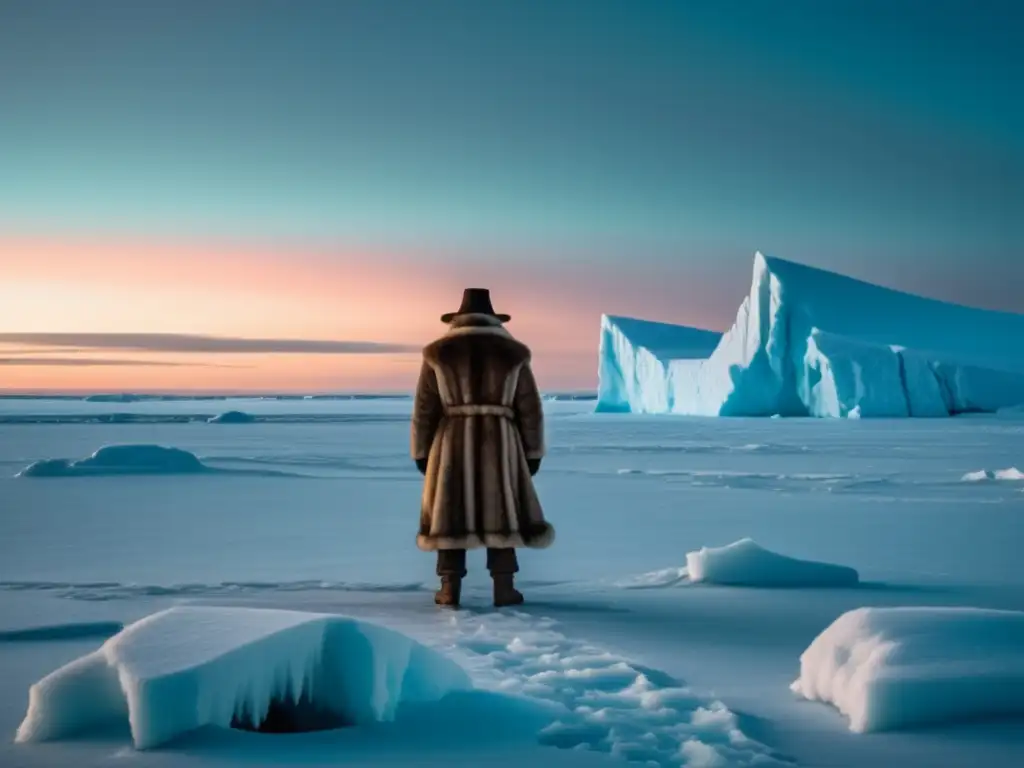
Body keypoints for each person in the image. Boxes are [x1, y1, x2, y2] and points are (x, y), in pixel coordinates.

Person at [411, 288, 554, 608]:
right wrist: (533, 452)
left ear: (456, 319)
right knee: (502, 512)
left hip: (451, 441)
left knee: (448, 514)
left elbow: (425, 409)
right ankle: (504, 588)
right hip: (500, 442)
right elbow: (529, 408)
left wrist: (421, 451)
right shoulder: (513, 353)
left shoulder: (438, 352)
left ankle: (449, 589)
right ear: (494, 319)